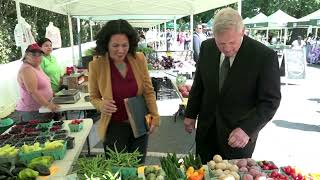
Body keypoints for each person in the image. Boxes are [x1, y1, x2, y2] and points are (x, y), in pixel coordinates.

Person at [184, 8, 281, 163]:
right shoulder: (207, 47)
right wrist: (190, 113)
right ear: (213, 35)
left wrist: (247, 129)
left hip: (237, 137)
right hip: (206, 131)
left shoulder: (264, 56)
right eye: (221, 43)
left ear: (243, 32)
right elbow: (199, 84)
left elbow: (270, 101)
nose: (227, 48)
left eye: (232, 42)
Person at [88, 19, 160, 163]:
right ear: (106, 45)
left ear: (130, 44)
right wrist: (101, 105)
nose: (120, 50)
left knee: (137, 167)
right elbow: (94, 96)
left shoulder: (138, 59)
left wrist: (155, 117)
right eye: (115, 45)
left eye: (124, 45)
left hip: (140, 125)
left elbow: (148, 91)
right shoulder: (96, 65)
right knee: (118, 169)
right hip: (114, 127)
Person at [16, 43, 59, 122]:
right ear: (26, 55)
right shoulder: (27, 69)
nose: (37, 57)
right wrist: (48, 105)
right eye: (34, 54)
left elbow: (43, 83)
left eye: (40, 54)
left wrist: (51, 93)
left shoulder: (36, 66)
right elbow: (33, 91)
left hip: (42, 108)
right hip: (33, 111)